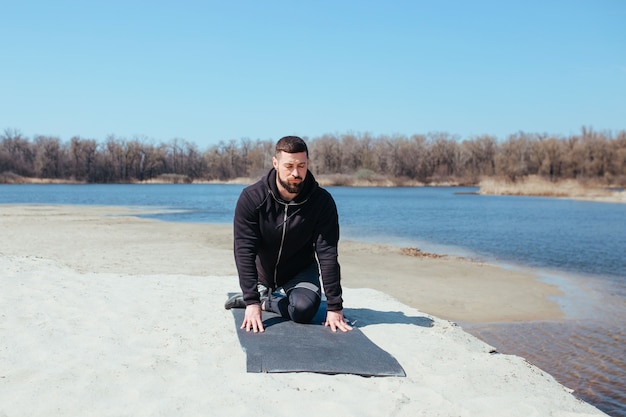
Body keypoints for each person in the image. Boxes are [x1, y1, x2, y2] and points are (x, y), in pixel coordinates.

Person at [225, 135, 353, 334]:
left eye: (301, 165)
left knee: (304, 311)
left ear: (308, 163)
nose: (296, 172)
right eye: (289, 166)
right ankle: (259, 295)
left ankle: (268, 302)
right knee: (257, 291)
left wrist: (335, 307)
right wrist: (251, 302)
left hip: (299, 271)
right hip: (262, 272)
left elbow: (328, 254)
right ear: (275, 163)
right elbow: (244, 251)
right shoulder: (252, 198)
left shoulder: (322, 202)